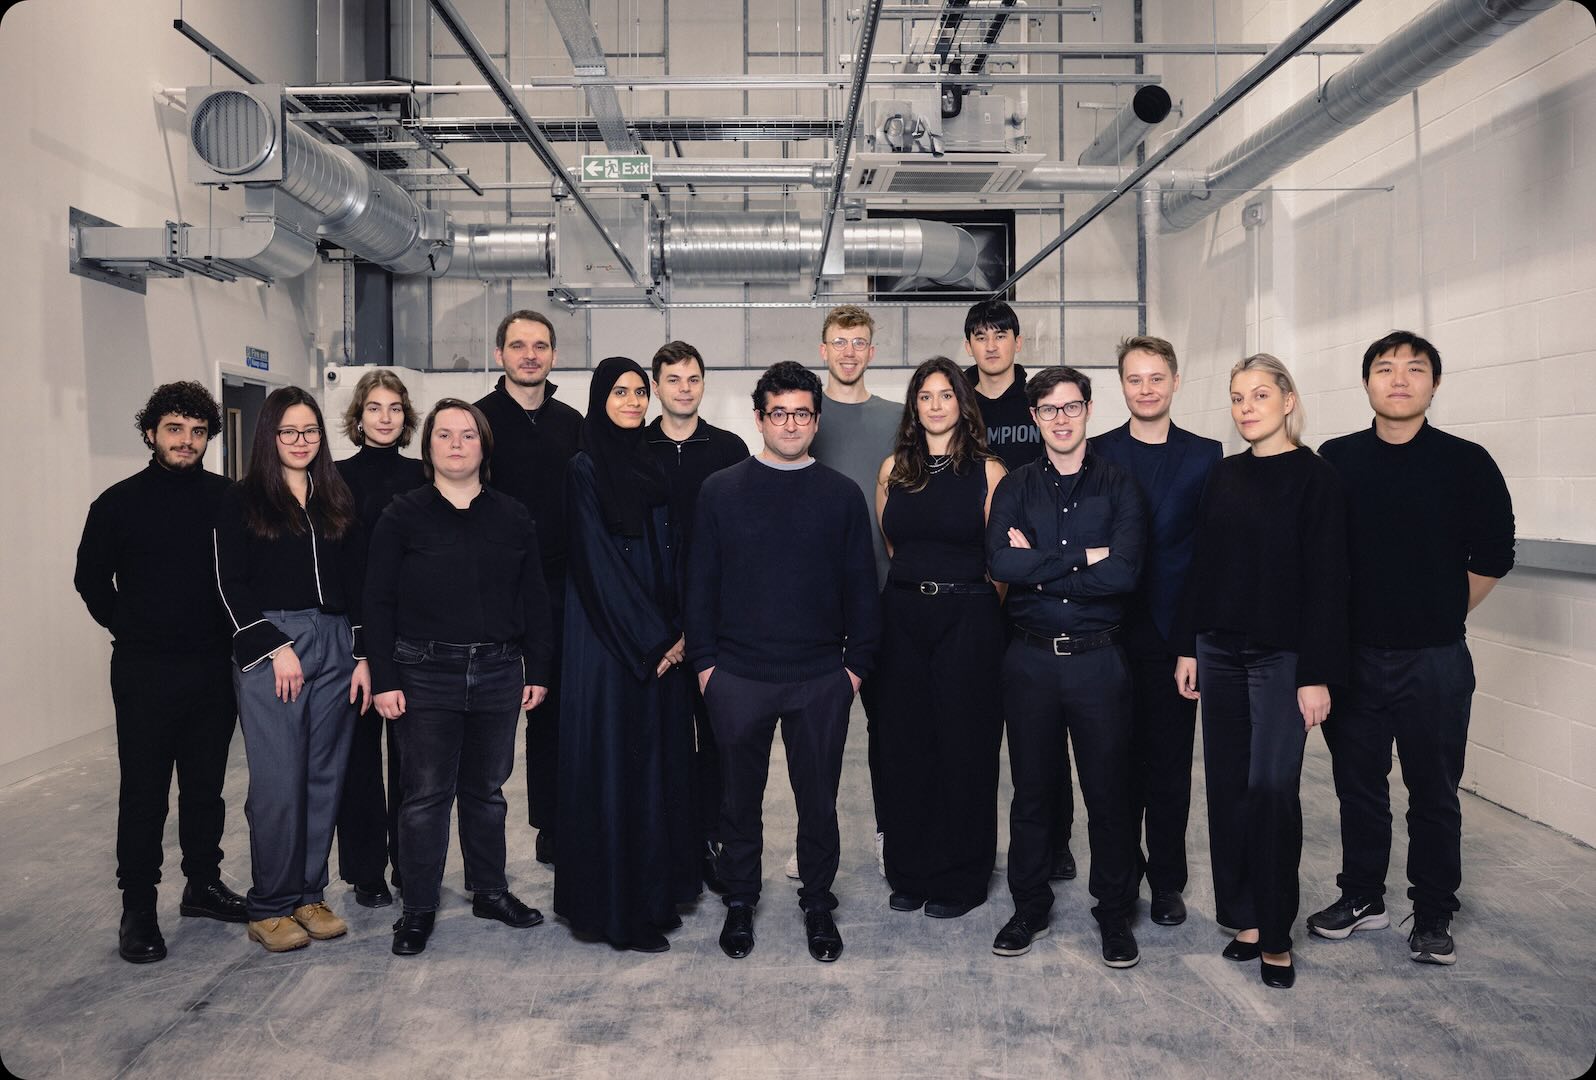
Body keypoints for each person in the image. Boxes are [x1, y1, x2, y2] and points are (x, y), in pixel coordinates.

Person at [1309, 331, 1514, 967]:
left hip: (1436, 661)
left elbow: (1493, 556)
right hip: (1355, 659)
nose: (1399, 379)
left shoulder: (1467, 461)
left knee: (1434, 791)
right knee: (1358, 787)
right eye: (1385, 368)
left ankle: (1431, 915)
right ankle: (1364, 897)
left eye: (1414, 369)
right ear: (1366, 381)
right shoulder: (1334, 458)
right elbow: (1316, 555)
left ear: (1434, 384)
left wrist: (1440, 613)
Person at [686, 361, 881, 963]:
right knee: (738, 800)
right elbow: (701, 583)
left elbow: (861, 587)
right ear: (759, 418)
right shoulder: (721, 489)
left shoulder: (841, 495)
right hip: (738, 676)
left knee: (818, 799)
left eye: (801, 413)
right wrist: (706, 668)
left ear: (816, 421)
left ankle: (818, 901)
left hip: (821, 676)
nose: (791, 423)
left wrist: (853, 670)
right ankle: (740, 900)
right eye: (779, 412)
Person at [1173, 353, 1349, 990]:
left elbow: (1331, 584)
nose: (1246, 407)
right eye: (1237, 397)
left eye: (1259, 395)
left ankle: (1276, 933)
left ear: (1288, 401)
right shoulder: (1222, 477)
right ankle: (1244, 919)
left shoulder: (1316, 480)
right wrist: (1190, 646)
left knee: (1272, 789)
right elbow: (1203, 567)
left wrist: (1317, 674)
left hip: (1283, 659)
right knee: (1226, 788)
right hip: (1218, 650)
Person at [365, 399, 553, 956]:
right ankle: (419, 907)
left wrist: (537, 667)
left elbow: (535, 598)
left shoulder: (513, 515)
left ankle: (489, 891)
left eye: (466, 435)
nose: (455, 444)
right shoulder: (402, 515)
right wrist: (384, 678)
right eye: (443, 435)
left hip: (498, 670)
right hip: (424, 672)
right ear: (428, 448)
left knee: (487, 792)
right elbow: (377, 601)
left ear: (482, 446)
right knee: (423, 796)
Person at [74, 382, 247, 964]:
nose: (187, 441)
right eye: (176, 429)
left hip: (213, 668)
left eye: (199, 432)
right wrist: (134, 626)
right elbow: (91, 583)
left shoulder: (228, 499)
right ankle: (139, 908)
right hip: (145, 670)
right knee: (144, 794)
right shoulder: (117, 503)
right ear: (151, 433)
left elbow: (244, 578)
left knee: (205, 788)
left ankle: (202, 885)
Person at [985, 367, 1146, 968]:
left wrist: (1045, 561)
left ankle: (1113, 914)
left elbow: (1125, 573)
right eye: (1048, 409)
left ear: (1087, 409)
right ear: (1034, 418)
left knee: (1109, 793)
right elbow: (1001, 561)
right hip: (1029, 661)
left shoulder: (1120, 486)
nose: (1061, 418)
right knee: (1031, 793)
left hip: (1099, 661)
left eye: (1071, 407)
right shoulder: (1016, 486)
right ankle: (1029, 905)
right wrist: (1086, 556)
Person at [213, 386, 371, 953]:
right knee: (279, 780)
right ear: (268, 437)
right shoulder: (243, 499)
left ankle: (309, 894)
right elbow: (227, 582)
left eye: (310, 432)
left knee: (323, 775)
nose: (301, 442)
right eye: (288, 432)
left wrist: (360, 653)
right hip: (274, 645)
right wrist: (270, 644)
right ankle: (271, 904)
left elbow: (356, 581)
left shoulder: (335, 496)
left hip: (334, 641)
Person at [555, 358, 699, 952]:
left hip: (662, 640)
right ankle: (617, 913)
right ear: (599, 398)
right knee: (615, 773)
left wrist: (683, 628)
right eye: (620, 392)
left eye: (641, 392)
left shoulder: (651, 463)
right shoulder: (583, 468)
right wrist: (655, 641)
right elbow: (596, 564)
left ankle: (654, 896)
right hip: (611, 646)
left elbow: (674, 552)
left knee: (656, 771)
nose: (634, 401)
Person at [1089, 336, 1222, 927]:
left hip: (1174, 642)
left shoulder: (1206, 455)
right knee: (1115, 770)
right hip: (1107, 636)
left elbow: (1208, 561)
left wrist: (1191, 643)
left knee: (1169, 771)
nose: (1146, 389)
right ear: (1122, 385)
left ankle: (1168, 881)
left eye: (1156, 378)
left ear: (1174, 381)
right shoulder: (1097, 453)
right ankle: (1122, 877)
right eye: (1135, 379)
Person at [871, 357, 1008, 919]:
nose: (934, 405)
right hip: (901, 619)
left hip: (969, 619)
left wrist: (963, 607)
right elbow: (894, 546)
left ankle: (962, 877)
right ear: (914, 407)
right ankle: (911, 870)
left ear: (961, 403)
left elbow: (998, 563)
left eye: (945, 395)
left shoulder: (989, 471)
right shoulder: (892, 470)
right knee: (903, 749)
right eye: (924, 396)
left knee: (965, 749)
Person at [962, 300, 1076, 885]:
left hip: (1036, 577)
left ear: (1018, 342)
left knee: (1047, 726)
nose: (991, 345)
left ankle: (1056, 843)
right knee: (982, 725)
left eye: (1000, 334)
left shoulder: (1040, 397)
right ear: (969, 346)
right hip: (976, 579)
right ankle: (973, 842)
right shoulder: (954, 399)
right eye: (980, 336)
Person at [474, 310, 583, 867]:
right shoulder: (478, 421)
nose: (530, 354)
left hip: (561, 588)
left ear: (554, 356)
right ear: (501, 355)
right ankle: (480, 855)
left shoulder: (572, 422)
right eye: (518, 345)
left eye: (540, 345)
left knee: (553, 713)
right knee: (487, 721)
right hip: (495, 590)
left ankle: (552, 823)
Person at [643, 341, 750, 894]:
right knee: (661, 745)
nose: (684, 387)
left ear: (703, 384)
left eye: (693, 378)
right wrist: (663, 631)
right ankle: (666, 849)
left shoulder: (729, 450)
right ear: (656, 385)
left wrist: (698, 629)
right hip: (652, 632)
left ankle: (713, 844)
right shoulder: (637, 448)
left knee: (718, 747)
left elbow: (739, 549)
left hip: (712, 630)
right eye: (673, 378)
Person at [808, 305, 898, 881]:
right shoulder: (803, 416)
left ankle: (894, 833)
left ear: (871, 350)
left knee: (890, 733)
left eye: (859, 341)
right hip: (819, 604)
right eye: (839, 341)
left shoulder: (897, 417)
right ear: (824, 350)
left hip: (889, 597)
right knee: (816, 739)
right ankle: (812, 838)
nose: (848, 351)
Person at [334, 369, 425, 909]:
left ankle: (409, 863)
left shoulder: (424, 475)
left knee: (414, 765)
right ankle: (365, 870)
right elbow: (339, 566)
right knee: (360, 762)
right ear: (359, 417)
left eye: (394, 408)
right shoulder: (336, 478)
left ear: (406, 416)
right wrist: (359, 642)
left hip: (413, 636)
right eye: (374, 408)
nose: (385, 417)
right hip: (356, 637)